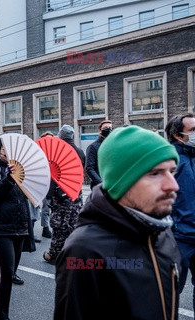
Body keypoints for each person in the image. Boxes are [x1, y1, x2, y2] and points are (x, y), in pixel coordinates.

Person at [54, 126, 181, 320]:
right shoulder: (85, 250)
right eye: (155, 173)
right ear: (123, 181)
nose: (173, 185)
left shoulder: (162, 230)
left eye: (172, 171)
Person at [0, 135, 30, 320]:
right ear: (0, 149)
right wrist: (9, 178)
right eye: (6, 146)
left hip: (19, 226)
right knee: (5, 272)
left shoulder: (19, 167)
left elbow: (24, 196)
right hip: (0, 227)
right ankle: (1, 315)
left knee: (9, 274)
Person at [43, 125, 85, 265]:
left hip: (60, 196)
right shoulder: (80, 152)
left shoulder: (58, 151)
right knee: (74, 225)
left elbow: (52, 176)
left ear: (60, 136)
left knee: (59, 227)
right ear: (72, 136)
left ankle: (54, 254)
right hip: (76, 194)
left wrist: (49, 196)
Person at [165, 113, 195, 310]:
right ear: (178, 134)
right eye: (192, 130)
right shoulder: (169, 161)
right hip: (179, 237)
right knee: (172, 290)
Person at [85, 119, 112, 189]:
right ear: (100, 131)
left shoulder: (112, 145)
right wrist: (101, 183)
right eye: (105, 128)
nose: (108, 130)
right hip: (99, 186)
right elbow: (89, 168)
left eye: (110, 128)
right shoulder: (93, 147)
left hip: (112, 184)